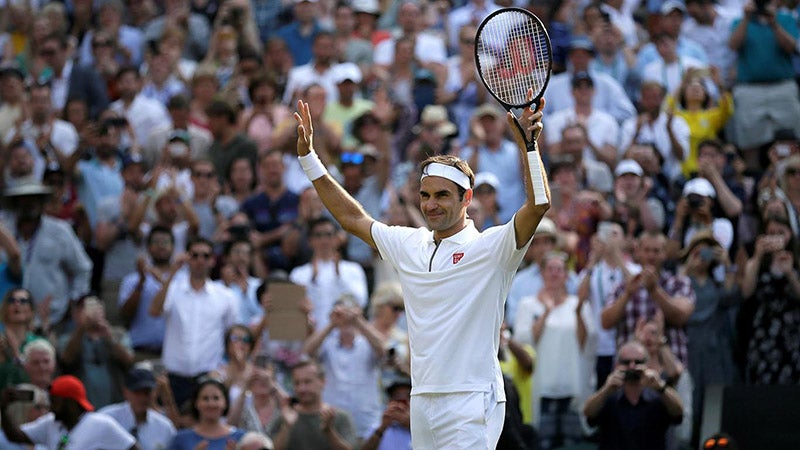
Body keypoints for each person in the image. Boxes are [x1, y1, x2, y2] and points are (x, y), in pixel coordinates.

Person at [293, 86, 549, 448]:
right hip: (422, 397)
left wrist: (529, 147)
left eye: (443, 195)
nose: (431, 205)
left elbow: (538, 206)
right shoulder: (410, 243)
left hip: (472, 398)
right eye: (425, 195)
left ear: (467, 199)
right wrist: (309, 160)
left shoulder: (492, 248)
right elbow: (352, 218)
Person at [149, 236, 238, 408]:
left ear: (212, 261)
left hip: (208, 378)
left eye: (205, 256)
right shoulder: (173, 288)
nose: (200, 260)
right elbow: (154, 311)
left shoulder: (225, 296)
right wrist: (172, 272)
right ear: (187, 258)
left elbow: (230, 332)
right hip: (174, 377)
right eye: (195, 255)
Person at [583, 340, 684, 450]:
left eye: (638, 362)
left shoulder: (658, 396)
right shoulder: (609, 396)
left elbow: (678, 412)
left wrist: (661, 387)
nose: (632, 366)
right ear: (617, 365)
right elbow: (588, 413)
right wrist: (606, 389)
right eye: (626, 362)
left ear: (647, 365)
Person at [1, 375, 139, 449]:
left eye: (55, 401)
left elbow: (133, 448)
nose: (51, 407)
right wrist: (3, 407)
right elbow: (16, 436)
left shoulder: (101, 424)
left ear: (71, 403)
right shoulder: (51, 423)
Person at [272, 359, 358, 450]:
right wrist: (286, 427)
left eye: (307, 382)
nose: (302, 389)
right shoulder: (285, 416)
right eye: (297, 383)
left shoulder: (340, 417)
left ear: (323, 382)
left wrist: (329, 431)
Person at [98, 367, 177, 450]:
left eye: (147, 392)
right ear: (126, 392)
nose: (142, 398)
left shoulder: (164, 427)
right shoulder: (106, 418)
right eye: (137, 392)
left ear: (154, 393)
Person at [168, 377, 245, 449]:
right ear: (196, 403)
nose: (211, 404)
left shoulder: (241, 438)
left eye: (216, 398)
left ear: (225, 403)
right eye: (205, 398)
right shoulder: (181, 438)